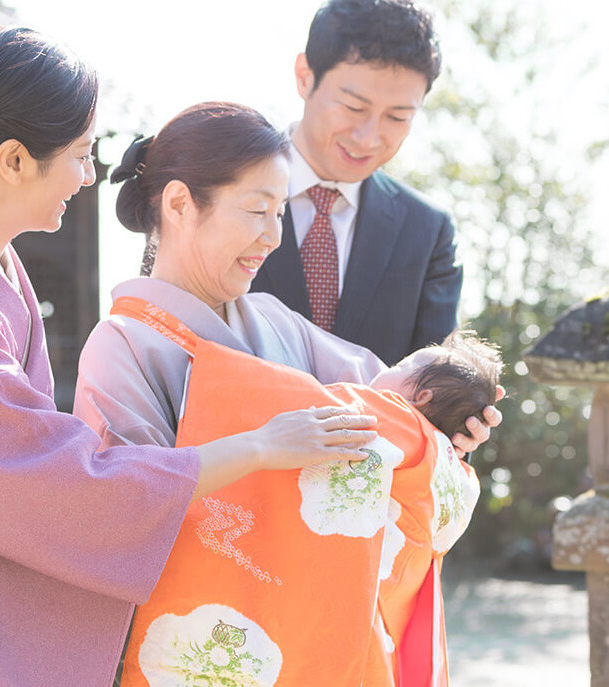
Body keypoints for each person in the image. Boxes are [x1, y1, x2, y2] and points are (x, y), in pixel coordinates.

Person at [0, 26, 378, 687]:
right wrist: (253, 448)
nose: (89, 176)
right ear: (15, 159)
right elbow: (53, 482)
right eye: (81, 154)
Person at [74, 101, 494, 686]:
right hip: (203, 641)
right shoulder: (122, 343)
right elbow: (122, 501)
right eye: (256, 211)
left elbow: (384, 405)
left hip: (312, 634)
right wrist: (259, 448)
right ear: (178, 204)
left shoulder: (274, 319)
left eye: (280, 214)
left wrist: (443, 423)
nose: (272, 237)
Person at [250, 0, 460, 363]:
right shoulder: (214, 185)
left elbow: (433, 385)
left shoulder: (427, 232)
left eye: (396, 117)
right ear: (305, 76)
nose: (367, 137)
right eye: (353, 107)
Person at [370, 330, 503, 440]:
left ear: (422, 397)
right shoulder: (435, 461)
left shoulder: (364, 418)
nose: (386, 368)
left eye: (398, 366)